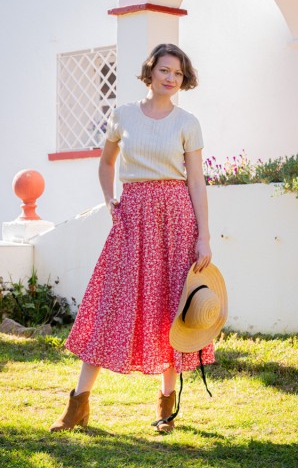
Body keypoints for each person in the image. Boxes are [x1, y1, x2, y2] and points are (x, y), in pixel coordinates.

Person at [49, 43, 214, 434]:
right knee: (109, 304)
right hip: (132, 217)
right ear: (151, 70)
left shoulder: (188, 122)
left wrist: (203, 236)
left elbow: (196, 180)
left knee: (172, 306)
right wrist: (110, 202)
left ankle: (165, 407)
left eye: (178, 73)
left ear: (183, 79)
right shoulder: (121, 115)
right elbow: (106, 163)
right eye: (165, 70)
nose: (171, 77)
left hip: (177, 217)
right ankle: (78, 405)